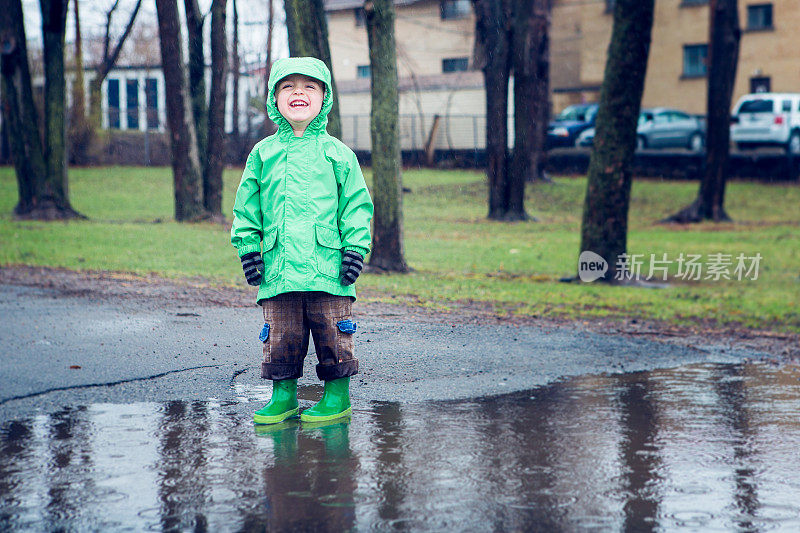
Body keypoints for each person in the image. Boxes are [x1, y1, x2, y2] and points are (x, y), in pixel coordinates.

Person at [231, 57, 373, 424]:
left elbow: (356, 205)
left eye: (309, 86)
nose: (298, 93)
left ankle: (337, 398)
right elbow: (246, 207)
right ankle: (283, 397)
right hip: (278, 267)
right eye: (288, 86)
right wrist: (249, 248)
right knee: (281, 336)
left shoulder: (337, 153)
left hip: (328, 267)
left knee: (332, 334)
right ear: (274, 99)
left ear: (324, 98)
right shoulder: (263, 154)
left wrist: (355, 248)